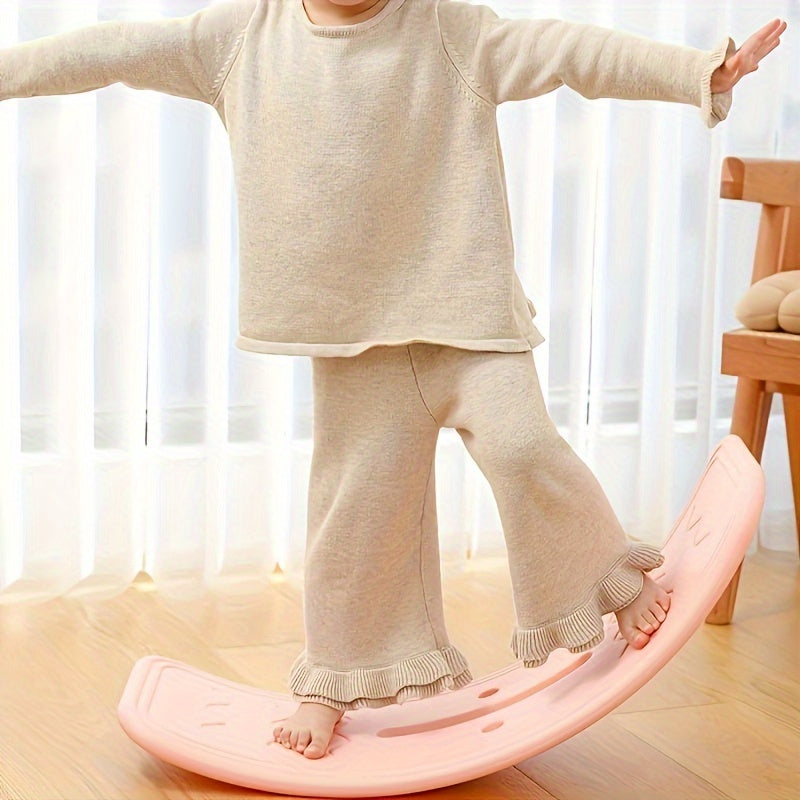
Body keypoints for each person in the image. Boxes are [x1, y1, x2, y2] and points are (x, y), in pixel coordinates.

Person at [0, 0, 785, 761]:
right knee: (356, 515)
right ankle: (334, 680)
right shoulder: (240, 37)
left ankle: (608, 583)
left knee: (520, 445)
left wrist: (698, 71)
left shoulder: (449, 27)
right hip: (354, 343)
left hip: (463, 317)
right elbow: (111, 50)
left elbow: (569, 51)